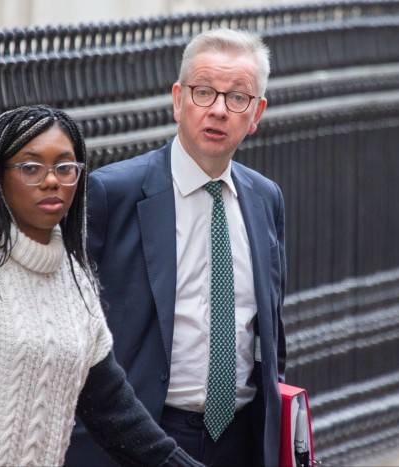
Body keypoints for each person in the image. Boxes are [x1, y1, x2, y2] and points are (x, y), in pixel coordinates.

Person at [0, 105, 202, 466]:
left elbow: (114, 412)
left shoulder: (74, 279)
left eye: (65, 167)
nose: (51, 180)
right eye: (30, 167)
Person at [66, 28, 286, 466]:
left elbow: (270, 331)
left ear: (256, 112)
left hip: (242, 440)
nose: (218, 110)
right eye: (203, 92)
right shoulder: (113, 193)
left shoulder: (265, 198)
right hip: (144, 436)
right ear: (178, 99)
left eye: (237, 97)